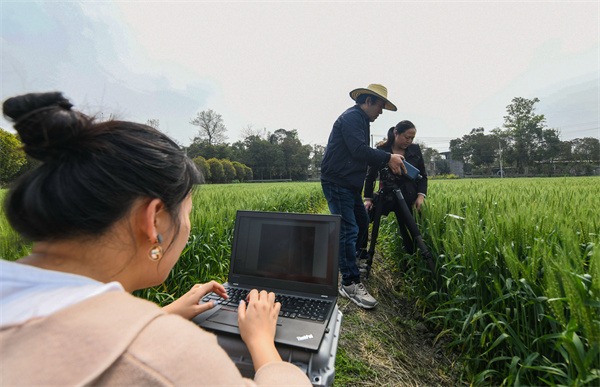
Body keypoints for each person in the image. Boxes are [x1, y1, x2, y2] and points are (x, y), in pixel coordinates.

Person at [0, 92, 311, 386]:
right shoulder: (172, 357)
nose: (187, 226)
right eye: (187, 213)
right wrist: (260, 340)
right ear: (154, 220)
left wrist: (161, 314)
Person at [320, 84, 406, 310]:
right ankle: (348, 283)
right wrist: (388, 157)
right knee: (348, 229)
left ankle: (352, 263)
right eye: (380, 106)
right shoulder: (352, 118)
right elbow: (358, 150)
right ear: (367, 101)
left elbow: (360, 154)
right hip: (337, 182)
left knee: (361, 221)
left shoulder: (361, 120)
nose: (381, 112)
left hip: (348, 183)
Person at [363, 120, 428, 255]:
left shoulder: (415, 150)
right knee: (363, 217)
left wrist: (421, 196)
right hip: (386, 196)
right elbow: (370, 176)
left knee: (410, 232)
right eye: (406, 137)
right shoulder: (382, 150)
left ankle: (411, 260)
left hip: (408, 197)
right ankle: (361, 251)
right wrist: (368, 198)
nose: (409, 141)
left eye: (412, 138)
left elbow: (423, 175)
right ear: (396, 133)